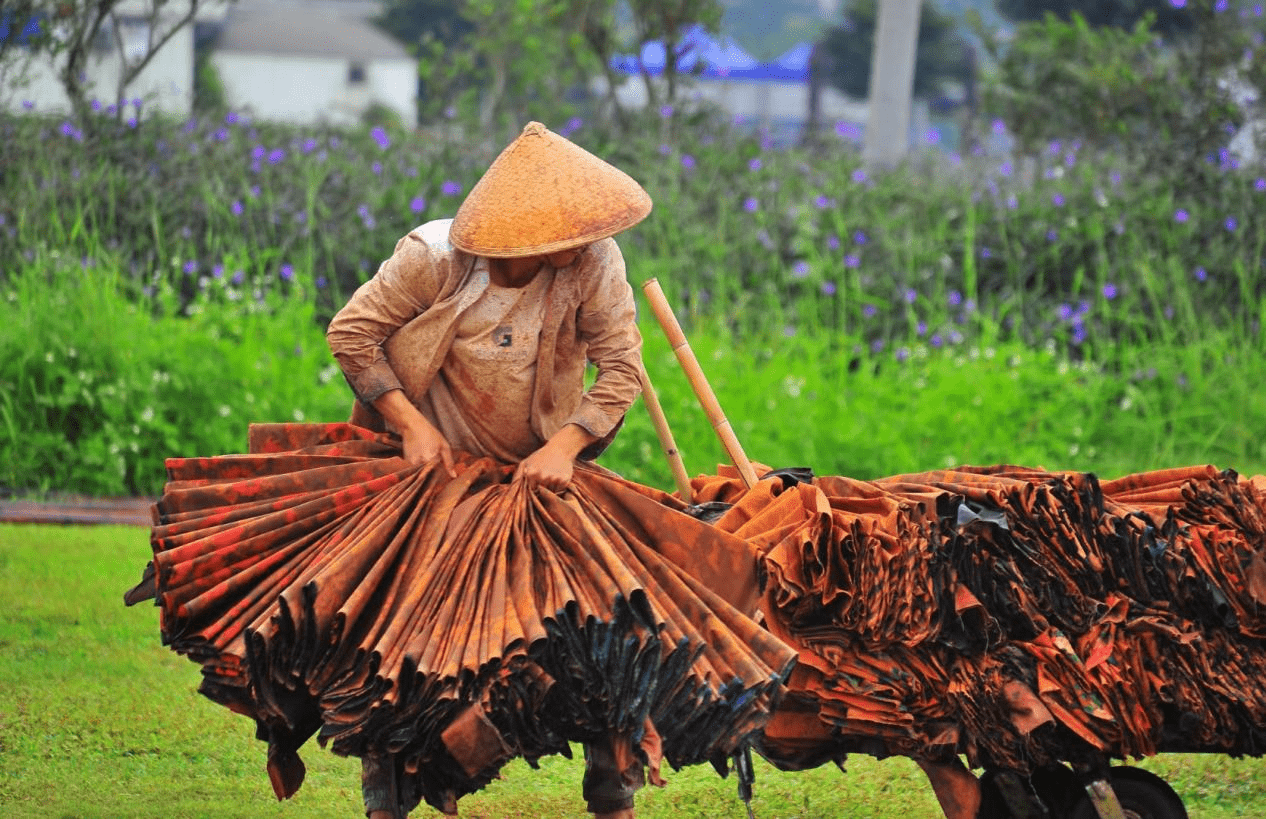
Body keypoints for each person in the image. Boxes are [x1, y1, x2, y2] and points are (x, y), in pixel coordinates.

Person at [326, 120, 650, 819]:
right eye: (562, 236)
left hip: (540, 473)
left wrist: (563, 447)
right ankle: (388, 797)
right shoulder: (431, 257)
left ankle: (612, 793)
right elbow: (352, 333)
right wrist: (408, 425)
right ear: (520, 238)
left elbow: (622, 369)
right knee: (395, 632)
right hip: (431, 474)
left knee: (604, 617)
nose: (578, 245)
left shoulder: (595, 263)